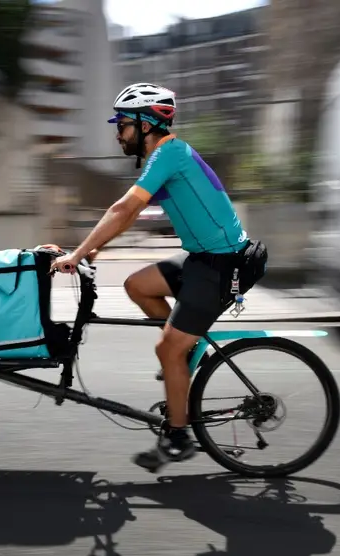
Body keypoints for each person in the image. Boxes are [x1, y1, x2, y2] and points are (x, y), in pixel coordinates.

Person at [50, 82, 268, 473]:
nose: (118, 133)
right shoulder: (162, 157)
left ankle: (179, 437)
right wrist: (95, 250)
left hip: (224, 264)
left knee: (167, 350)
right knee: (138, 285)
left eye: (122, 124)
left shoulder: (170, 153)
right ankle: (181, 360)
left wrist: (78, 253)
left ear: (147, 124)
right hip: (202, 257)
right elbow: (128, 215)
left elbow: (122, 209)